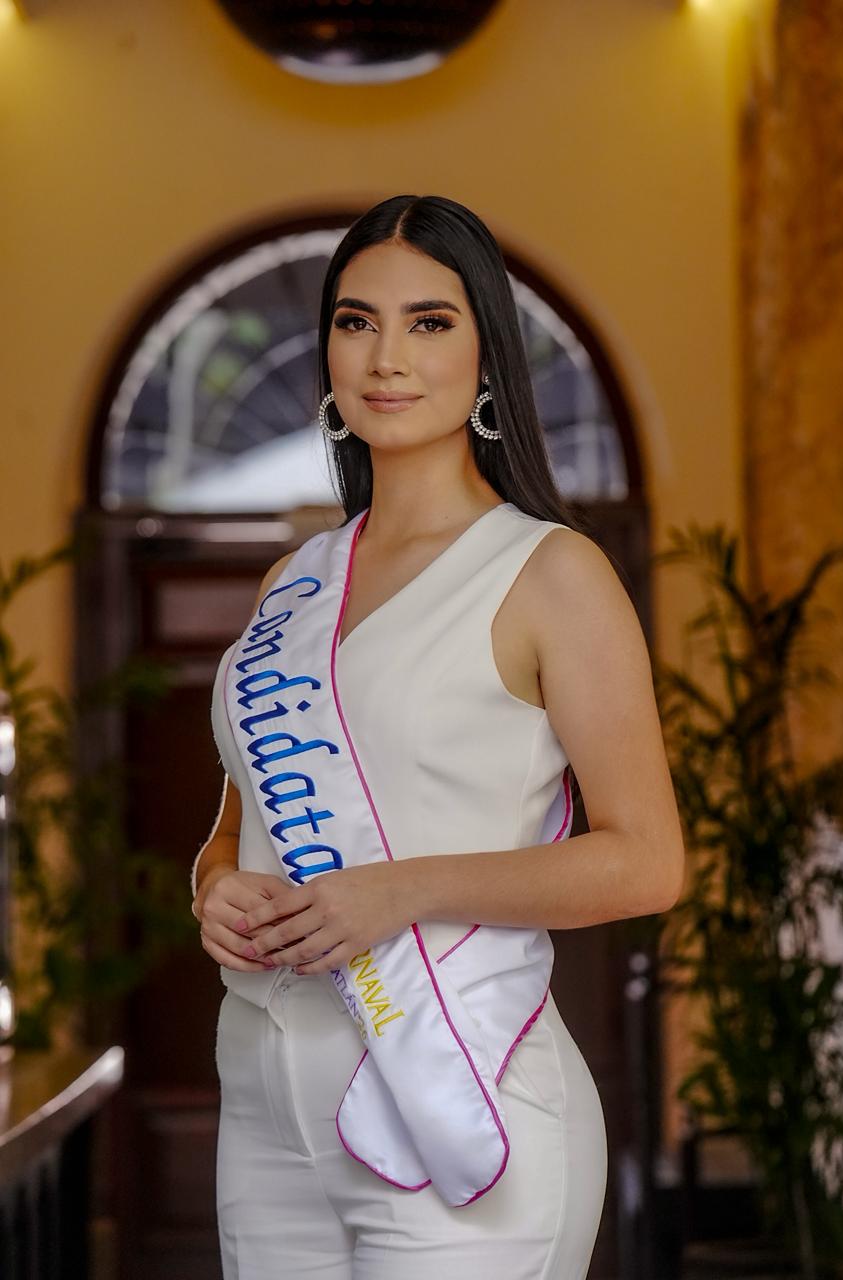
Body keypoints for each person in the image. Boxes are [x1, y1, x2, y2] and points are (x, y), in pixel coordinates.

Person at [190, 194, 684, 1279]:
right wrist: (214, 883)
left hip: (457, 1092)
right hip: (267, 1100)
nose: (386, 357)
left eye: (428, 322)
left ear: (485, 353)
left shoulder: (550, 573)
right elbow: (240, 819)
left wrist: (399, 891)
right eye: (356, 321)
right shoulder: (294, 581)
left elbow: (646, 861)